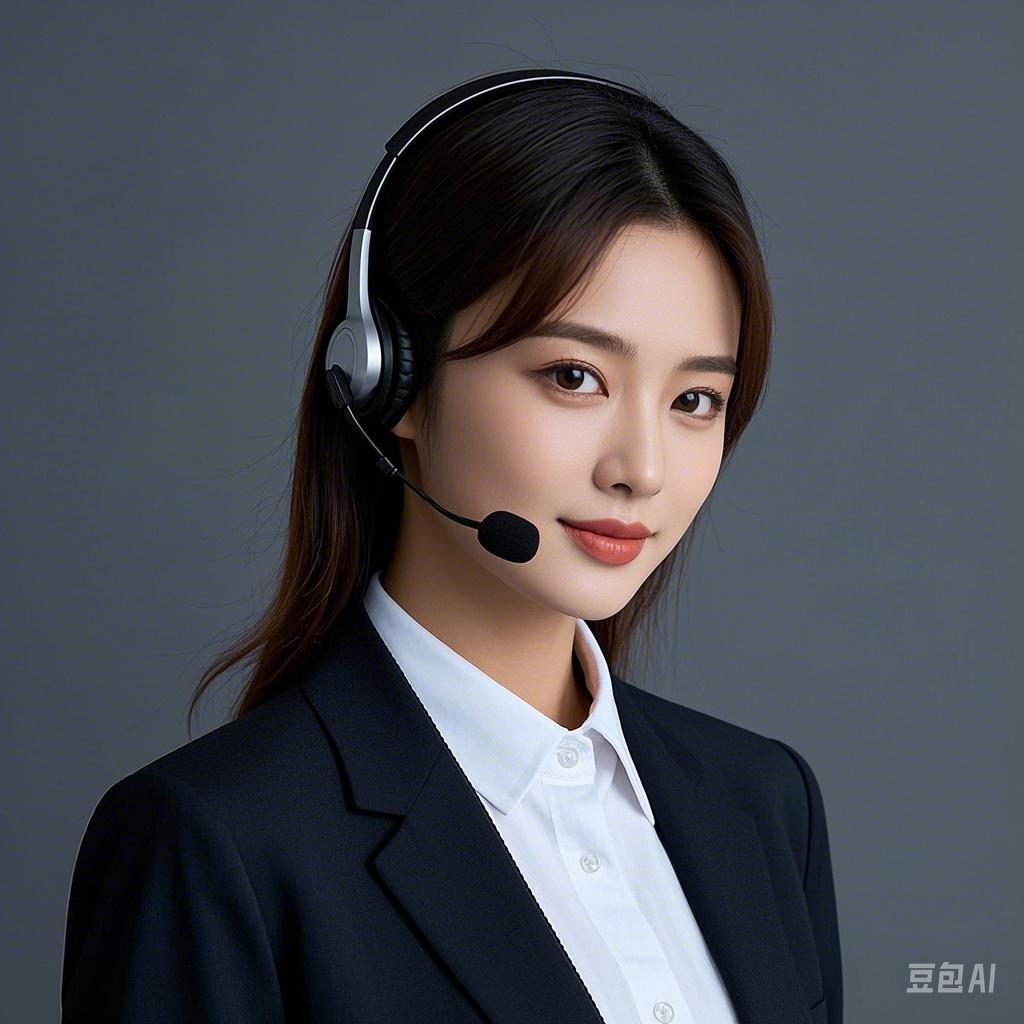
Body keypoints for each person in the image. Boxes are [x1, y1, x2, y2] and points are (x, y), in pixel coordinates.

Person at [61, 69, 842, 1023]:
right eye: (573, 375)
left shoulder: (763, 807)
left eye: (694, 400)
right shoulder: (214, 843)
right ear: (387, 381)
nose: (642, 468)